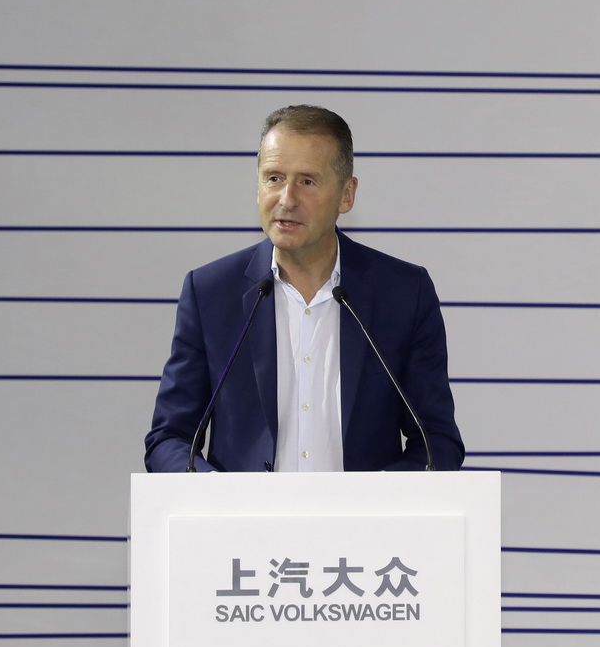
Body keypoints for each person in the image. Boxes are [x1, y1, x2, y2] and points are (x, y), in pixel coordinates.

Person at [144, 105, 464, 472]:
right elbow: (169, 438)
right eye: (274, 178)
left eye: (307, 181)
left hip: (364, 511)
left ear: (346, 194)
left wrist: (374, 498)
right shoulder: (211, 293)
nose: (287, 199)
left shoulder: (404, 293)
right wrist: (218, 493)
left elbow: (437, 442)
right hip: (242, 511)